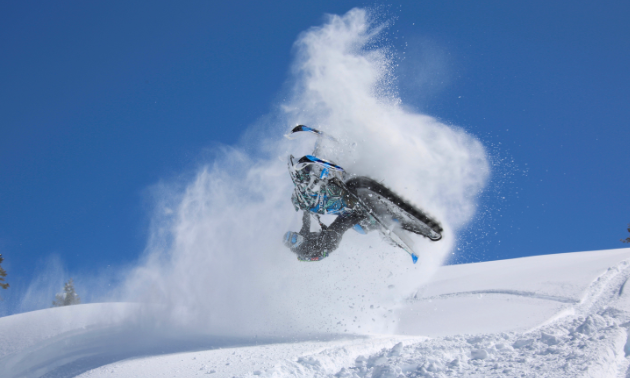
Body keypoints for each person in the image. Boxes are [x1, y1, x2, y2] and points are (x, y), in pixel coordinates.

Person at [282, 155, 366, 261]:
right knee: (341, 223)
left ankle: (358, 212)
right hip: (329, 244)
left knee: (340, 219)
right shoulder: (302, 250)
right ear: (293, 246)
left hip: (326, 237)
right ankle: (362, 214)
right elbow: (316, 248)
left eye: (293, 235)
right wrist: (324, 233)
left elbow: (306, 224)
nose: (296, 237)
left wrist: (306, 210)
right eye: (293, 239)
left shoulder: (302, 237)